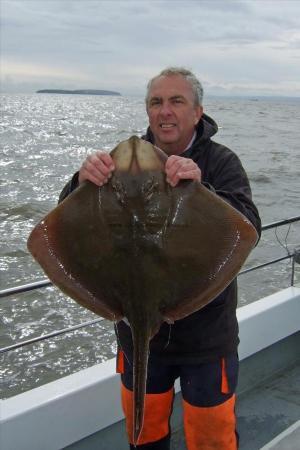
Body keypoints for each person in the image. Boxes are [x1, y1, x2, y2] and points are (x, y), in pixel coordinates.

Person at [59, 67, 261, 450]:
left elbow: (248, 228)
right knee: (144, 434)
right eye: (156, 102)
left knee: (211, 436)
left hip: (206, 338)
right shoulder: (116, 162)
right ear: (148, 111)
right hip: (136, 334)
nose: (164, 111)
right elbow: (63, 223)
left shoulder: (220, 162)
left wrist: (204, 190)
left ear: (197, 113)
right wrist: (79, 182)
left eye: (176, 101)